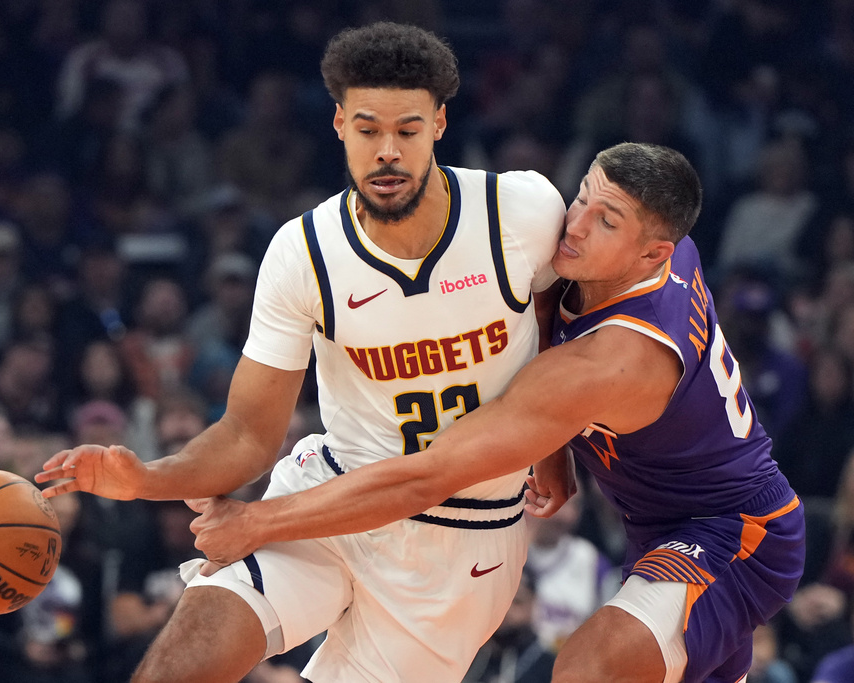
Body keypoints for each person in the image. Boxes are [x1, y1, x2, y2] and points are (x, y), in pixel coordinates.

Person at [37, 21, 566, 682]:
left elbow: (554, 317)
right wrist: (146, 477)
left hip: (463, 541)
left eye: (407, 130)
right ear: (340, 124)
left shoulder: (520, 212)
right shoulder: (304, 250)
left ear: (440, 124)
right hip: (329, 496)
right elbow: (247, 434)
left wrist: (552, 446)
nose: (388, 152)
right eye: (369, 129)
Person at [177, 143, 806, 683]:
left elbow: (427, 476)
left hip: (735, 528)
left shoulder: (609, 362)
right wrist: (552, 452)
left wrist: (259, 521)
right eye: (582, 194)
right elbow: (548, 304)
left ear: (652, 255)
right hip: (662, 518)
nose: (576, 223)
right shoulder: (648, 249)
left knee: (590, 667)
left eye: (605, 220)